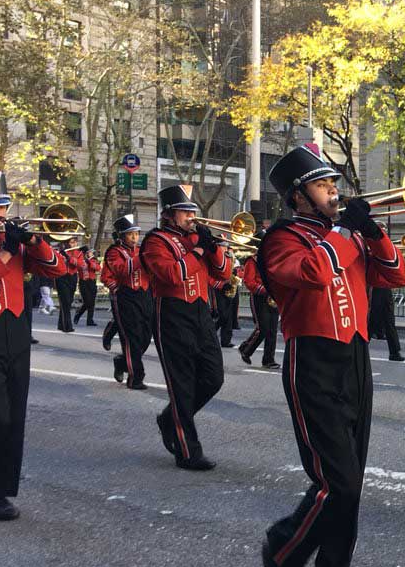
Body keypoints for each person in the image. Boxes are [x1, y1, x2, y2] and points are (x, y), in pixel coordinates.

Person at [257, 143, 405, 567]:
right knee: (335, 482)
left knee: (351, 486)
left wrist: (374, 232)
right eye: (323, 186)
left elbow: (398, 276)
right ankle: (283, 548)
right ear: (299, 196)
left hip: (355, 358)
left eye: (333, 185)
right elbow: (315, 273)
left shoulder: (342, 234)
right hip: (314, 361)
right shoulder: (283, 239)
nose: (333, 192)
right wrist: (344, 231)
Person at [141, 184, 233, 471]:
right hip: (171, 312)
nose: (191, 216)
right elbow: (172, 275)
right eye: (185, 211)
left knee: (213, 377)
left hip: (201, 312)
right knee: (180, 385)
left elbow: (225, 273)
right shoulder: (155, 241)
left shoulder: (196, 238)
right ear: (169, 214)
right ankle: (187, 452)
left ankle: (170, 418)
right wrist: (199, 250)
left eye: (192, 211)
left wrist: (214, 248)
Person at [0, 171, 68, 521]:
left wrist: (35, 242)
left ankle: (2, 489)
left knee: (14, 414)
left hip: (15, 329)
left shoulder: (13, 237)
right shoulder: (5, 245)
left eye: (4, 207)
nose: (1, 215)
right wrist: (8, 253)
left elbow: (58, 269)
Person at [102, 214, 153, 390]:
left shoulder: (141, 251)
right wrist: (115, 288)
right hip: (125, 296)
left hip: (145, 295)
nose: (135, 238)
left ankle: (122, 362)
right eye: (130, 234)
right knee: (132, 338)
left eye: (137, 234)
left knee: (146, 337)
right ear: (122, 236)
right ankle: (136, 378)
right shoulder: (114, 252)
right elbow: (123, 270)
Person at [238, 238, 280, 369]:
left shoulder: (273, 260)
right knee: (263, 328)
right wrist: (266, 290)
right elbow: (249, 281)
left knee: (273, 330)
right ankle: (246, 350)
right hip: (259, 297)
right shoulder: (253, 260)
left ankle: (268, 360)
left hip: (273, 297)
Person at [368, 286, 405, 362]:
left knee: (387, 321)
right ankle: (394, 352)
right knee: (375, 321)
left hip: (382, 288)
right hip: (379, 287)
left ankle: (394, 352)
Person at [55, 236, 82, 332]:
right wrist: (61, 254)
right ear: (67, 243)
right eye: (72, 242)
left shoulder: (78, 253)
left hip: (72, 277)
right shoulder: (60, 252)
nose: (74, 244)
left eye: (75, 242)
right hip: (61, 277)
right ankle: (67, 326)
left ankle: (61, 324)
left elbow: (79, 264)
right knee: (65, 301)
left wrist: (68, 257)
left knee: (68, 301)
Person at [72, 245, 100, 327]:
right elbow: (76, 266)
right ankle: (78, 314)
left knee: (92, 302)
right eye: (90, 252)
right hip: (83, 283)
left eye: (91, 252)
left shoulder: (94, 260)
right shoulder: (80, 260)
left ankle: (89, 320)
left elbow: (98, 268)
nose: (92, 253)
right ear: (86, 253)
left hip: (91, 282)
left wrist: (89, 262)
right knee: (87, 301)